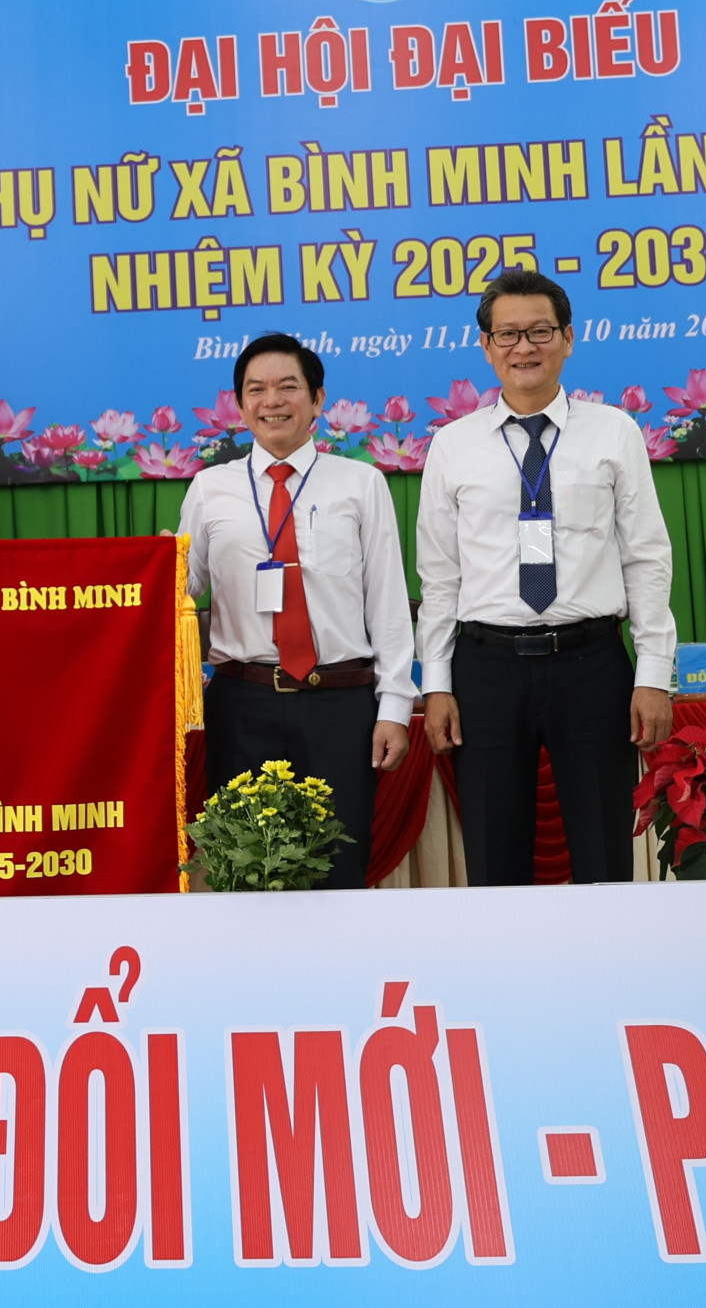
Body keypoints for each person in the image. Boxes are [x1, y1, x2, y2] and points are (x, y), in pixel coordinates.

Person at [416, 270, 678, 885]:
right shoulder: (453, 445)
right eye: (507, 334)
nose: (524, 348)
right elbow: (439, 577)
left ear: (567, 338)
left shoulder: (614, 431)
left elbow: (646, 557)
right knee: (494, 856)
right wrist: (437, 683)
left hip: (591, 664)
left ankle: (607, 949)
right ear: (486, 346)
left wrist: (653, 675)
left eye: (539, 331)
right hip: (486, 669)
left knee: (603, 853)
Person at [176, 333, 416, 889]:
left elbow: (387, 601)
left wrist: (395, 708)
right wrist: (160, 568)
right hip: (242, 704)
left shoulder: (361, 483)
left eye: (288, 387)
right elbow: (185, 591)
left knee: (339, 870)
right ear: (240, 405)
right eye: (256, 390)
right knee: (246, 874)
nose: (272, 401)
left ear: (317, 399)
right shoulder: (210, 488)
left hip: (340, 705)